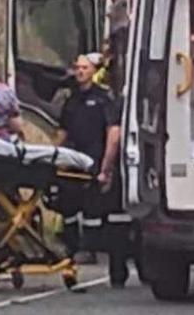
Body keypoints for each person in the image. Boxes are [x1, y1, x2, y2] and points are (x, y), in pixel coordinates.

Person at [55, 53, 125, 285]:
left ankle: (117, 272)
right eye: (77, 67)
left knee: (110, 220)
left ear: (93, 70)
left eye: (84, 68)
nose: (80, 71)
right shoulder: (71, 100)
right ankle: (74, 256)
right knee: (71, 212)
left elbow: (113, 134)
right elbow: (62, 133)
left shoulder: (104, 98)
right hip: (74, 164)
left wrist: (106, 168)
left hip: (97, 163)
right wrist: (51, 157)